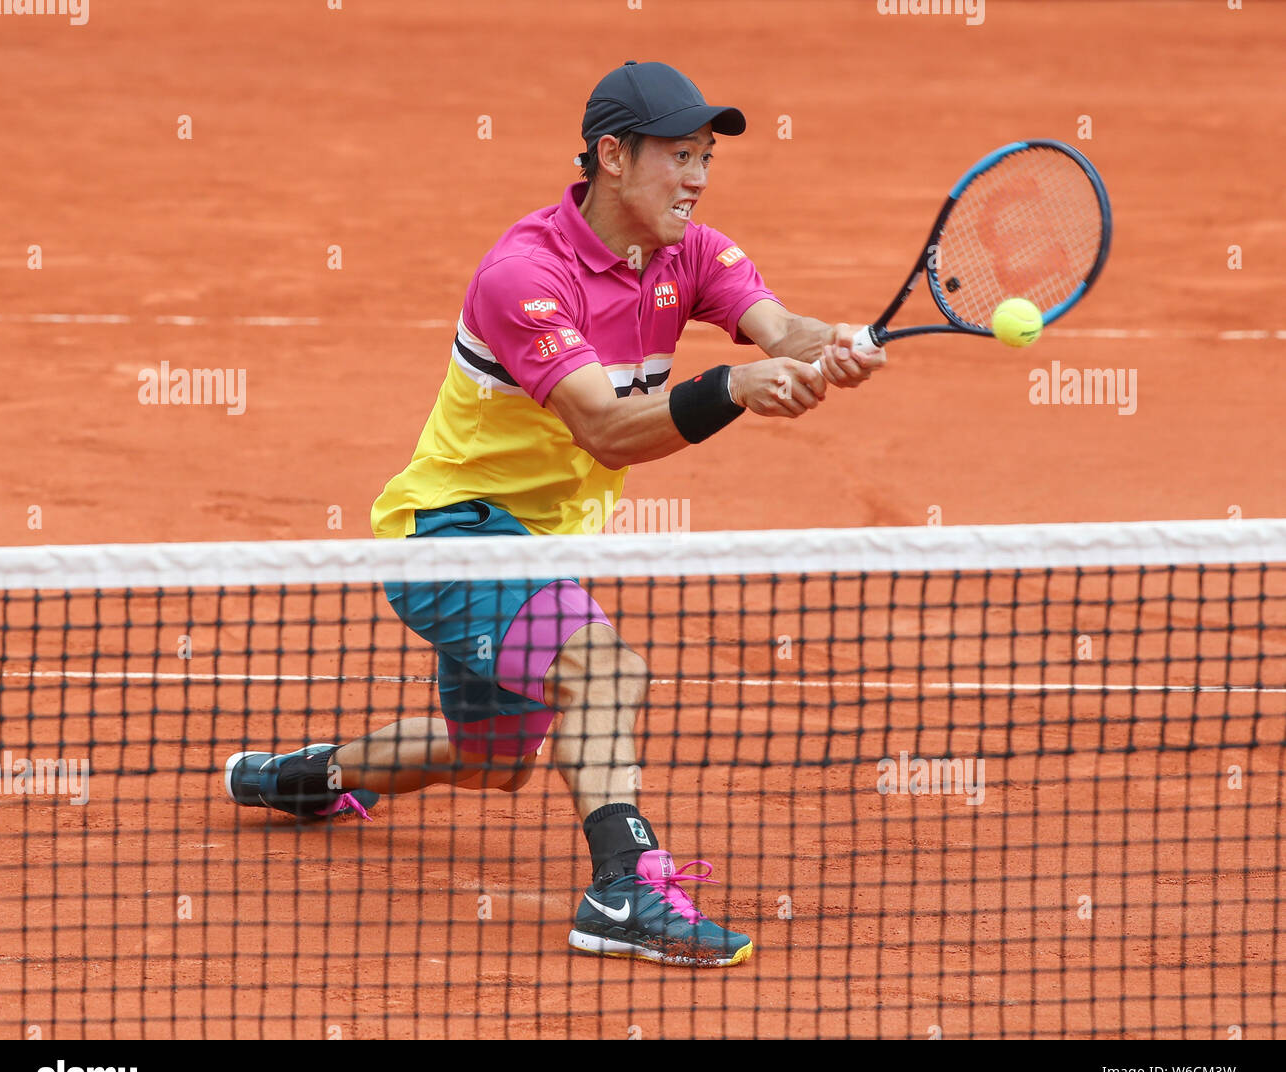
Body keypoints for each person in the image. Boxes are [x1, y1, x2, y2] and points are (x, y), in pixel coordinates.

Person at [224, 60, 886, 967]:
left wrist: (839, 343)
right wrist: (731, 386)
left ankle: (311, 780)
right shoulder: (524, 276)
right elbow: (609, 431)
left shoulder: (690, 251)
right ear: (612, 155)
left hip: (541, 544)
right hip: (450, 534)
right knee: (605, 672)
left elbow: (779, 326)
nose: (696, 178)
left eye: (705, 159)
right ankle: (622, 890)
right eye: (678, 157)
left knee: (491, 759)